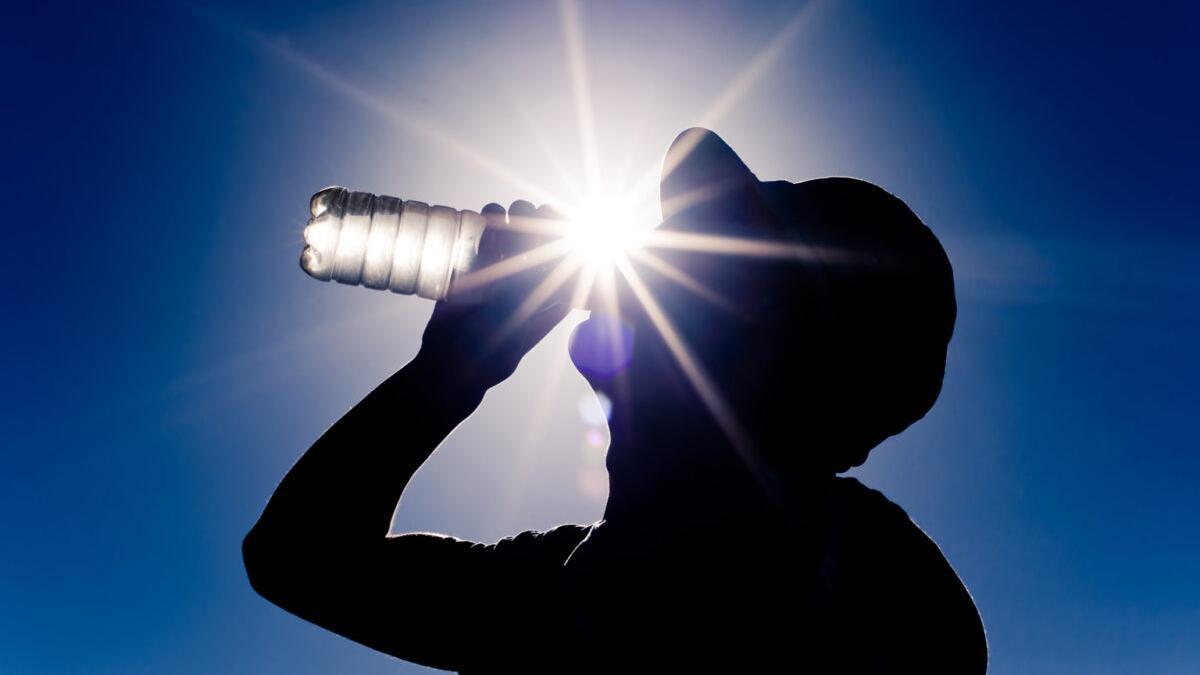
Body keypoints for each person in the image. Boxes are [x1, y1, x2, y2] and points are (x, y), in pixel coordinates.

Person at [243, 128, 988, 673]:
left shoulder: (883, 594)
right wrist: (449, 372)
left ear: (769, 353)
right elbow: (294, 558)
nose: (591, 350)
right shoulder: (557, 576)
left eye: (683, 305)